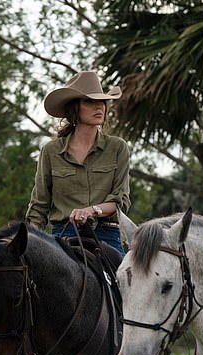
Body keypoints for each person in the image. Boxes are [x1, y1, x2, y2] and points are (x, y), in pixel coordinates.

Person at [25, 70, 131, 254]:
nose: (99, 107)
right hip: (63, 235)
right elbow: (39, 206)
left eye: (102, 102)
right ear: (74, 108)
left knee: (122, 281)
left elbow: (120, 202)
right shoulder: (51, 151)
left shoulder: (117, 148)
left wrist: (91, 210)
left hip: (107, 235)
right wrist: (28, 243)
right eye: (89, 101)